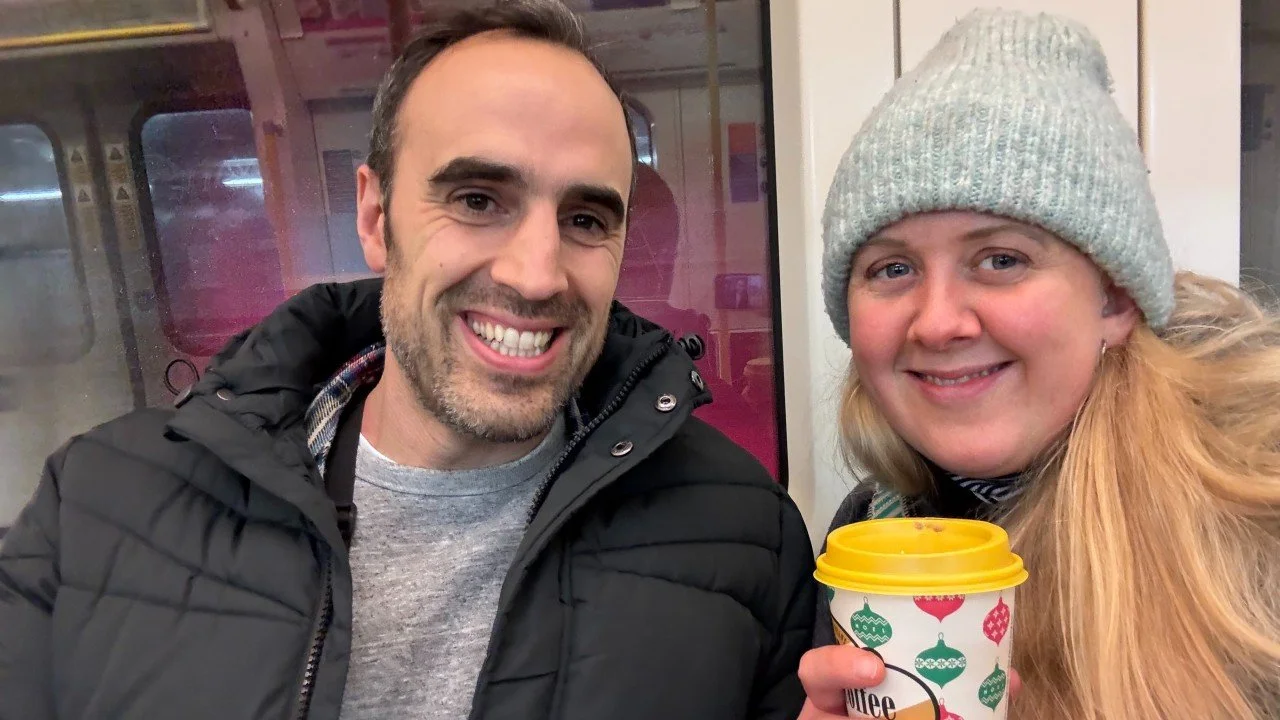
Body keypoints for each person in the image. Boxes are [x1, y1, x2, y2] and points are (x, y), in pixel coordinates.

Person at [0, 2, 816, 718]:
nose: (536, 274)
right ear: (375, 215)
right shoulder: (98, 509)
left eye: (587, 219)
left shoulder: (747, 540)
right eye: (476, 200)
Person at [798, 9, 1280, 720]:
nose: (937, 322)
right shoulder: (868, 530)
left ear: (1114, 301)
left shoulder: (1255, 514)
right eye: (892, 267)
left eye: (1001, 259)